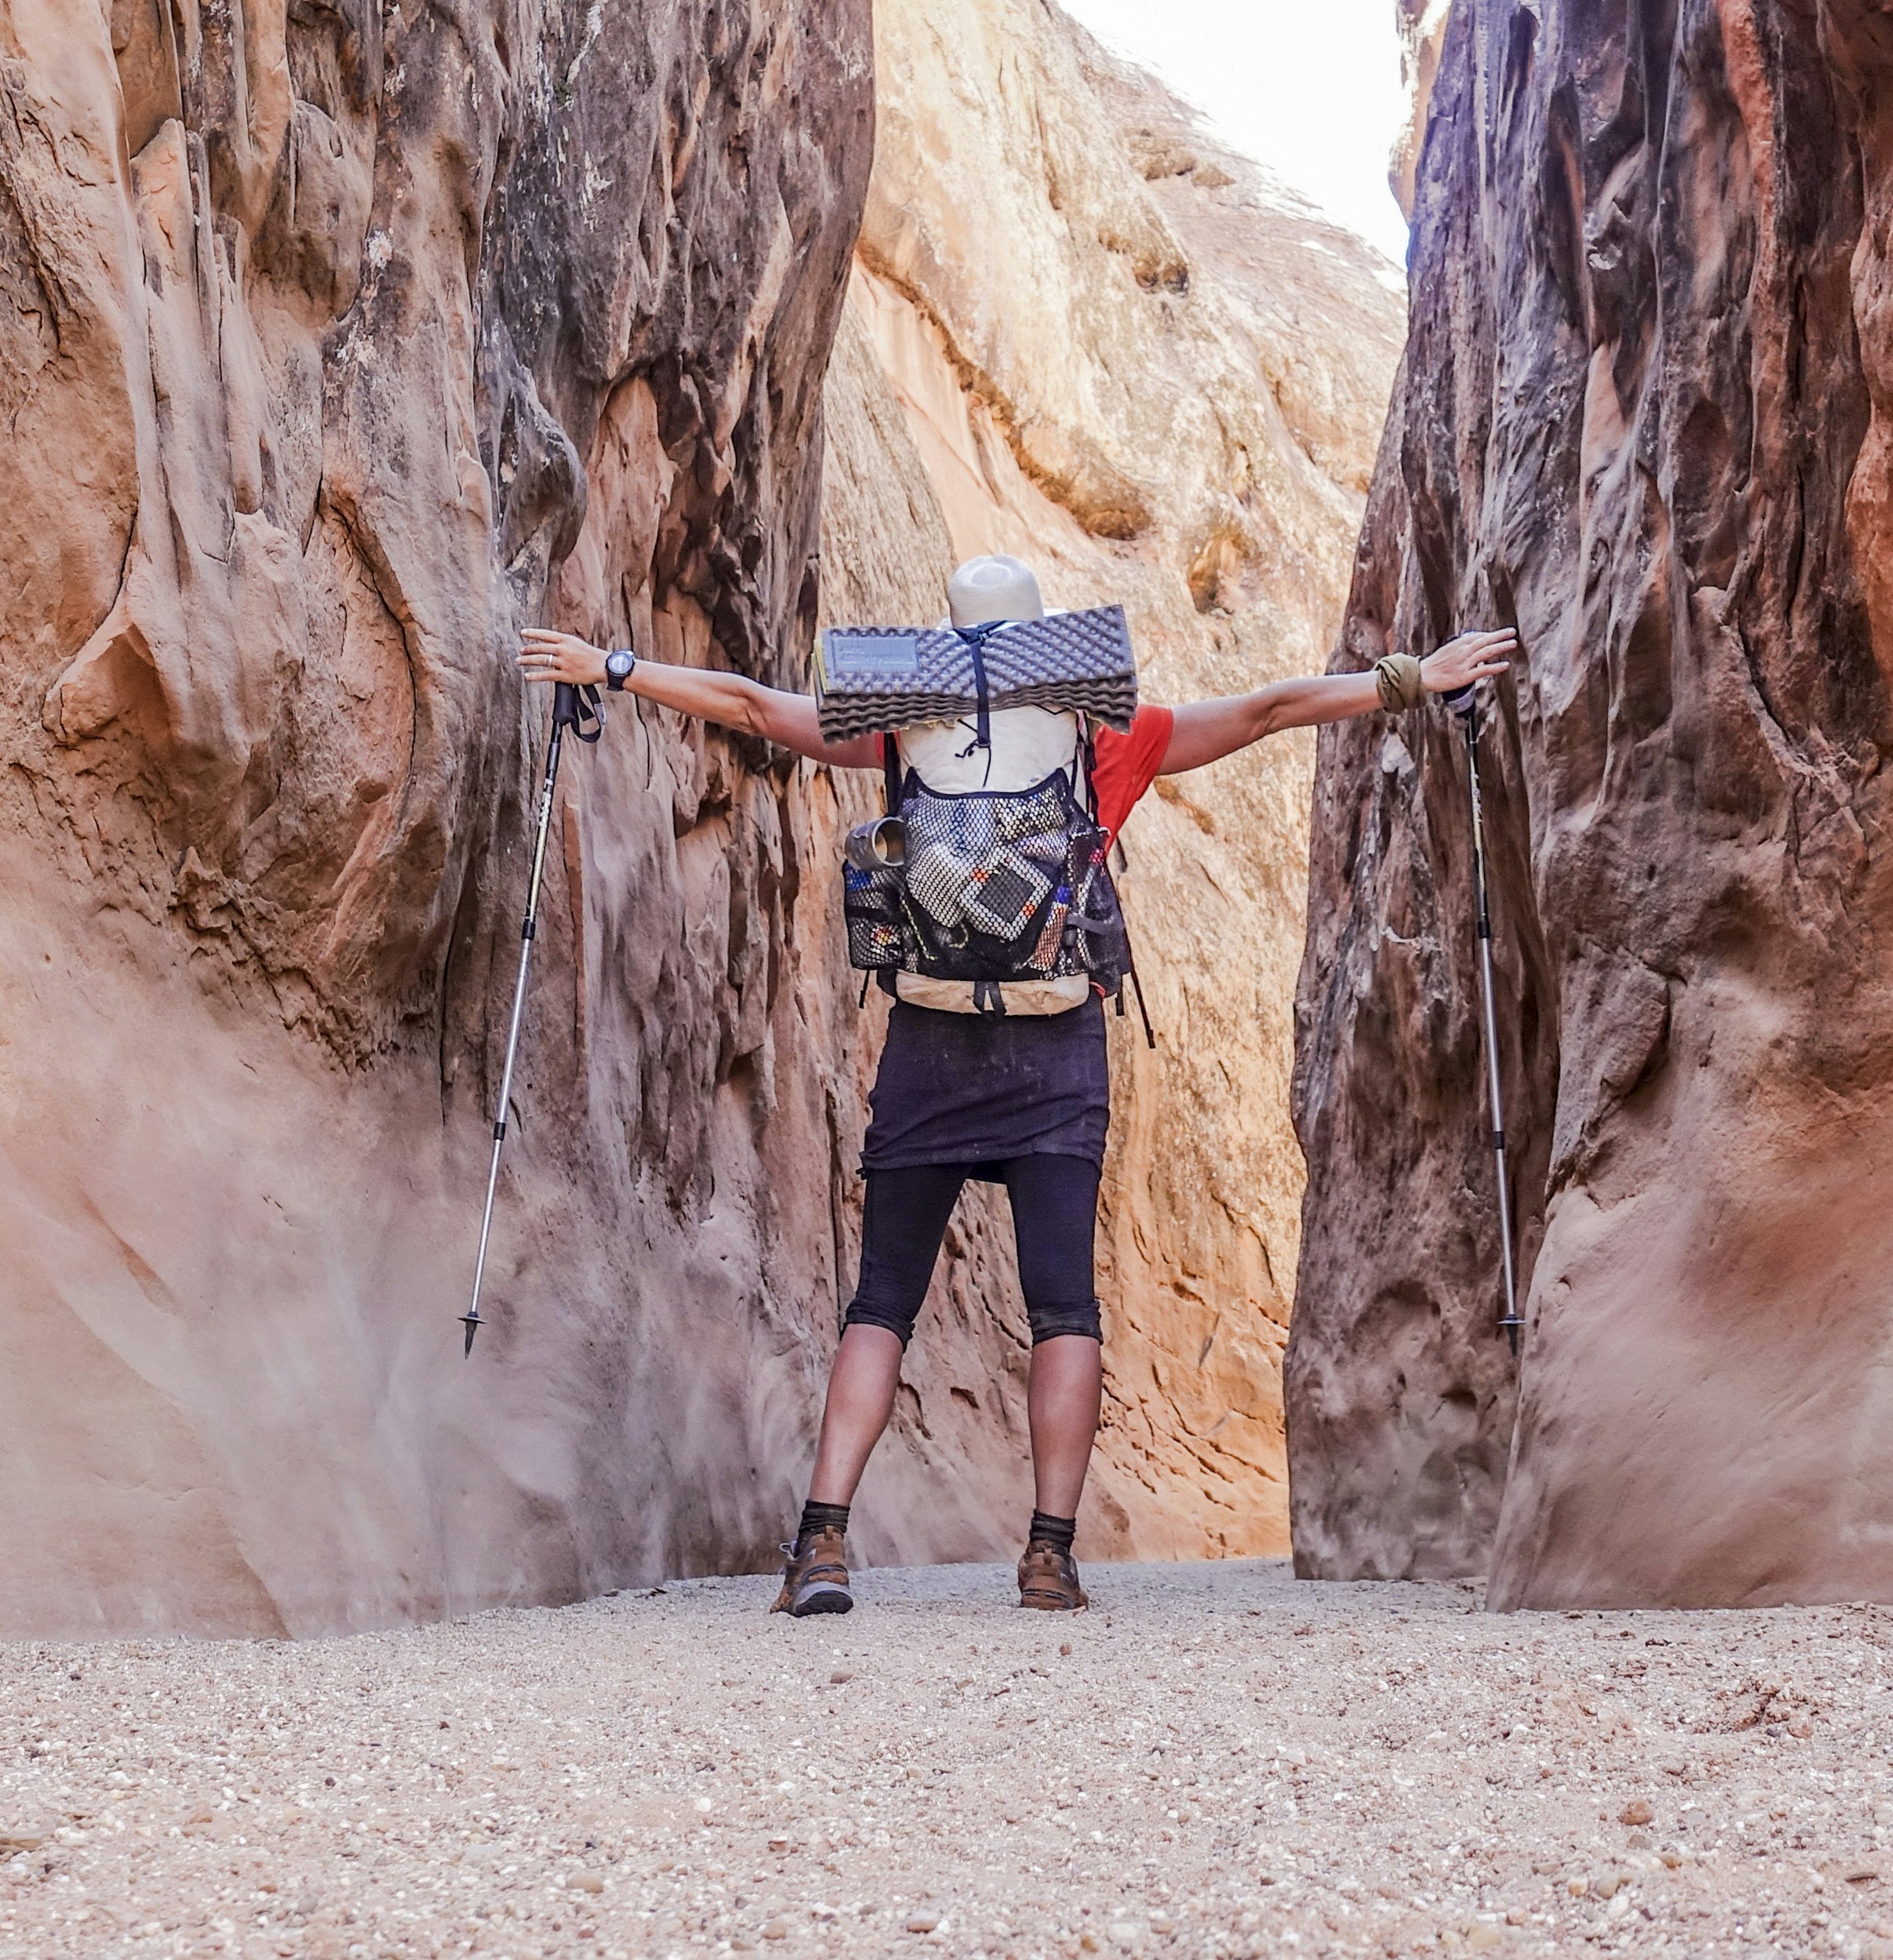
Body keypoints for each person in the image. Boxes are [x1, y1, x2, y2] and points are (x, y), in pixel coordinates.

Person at [518, 554, 1516, 1618]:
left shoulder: (900, 733)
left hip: (928, 1045)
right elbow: (1272, 708)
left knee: (882, 1305)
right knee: (1064, 1311)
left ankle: (820, 1544)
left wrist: (611, 665)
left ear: (953, 648)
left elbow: (753, 707)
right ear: (1047, 643)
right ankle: (1048, 1558)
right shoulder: (1104, 741)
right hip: (1055, 1046)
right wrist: (1417, 675)